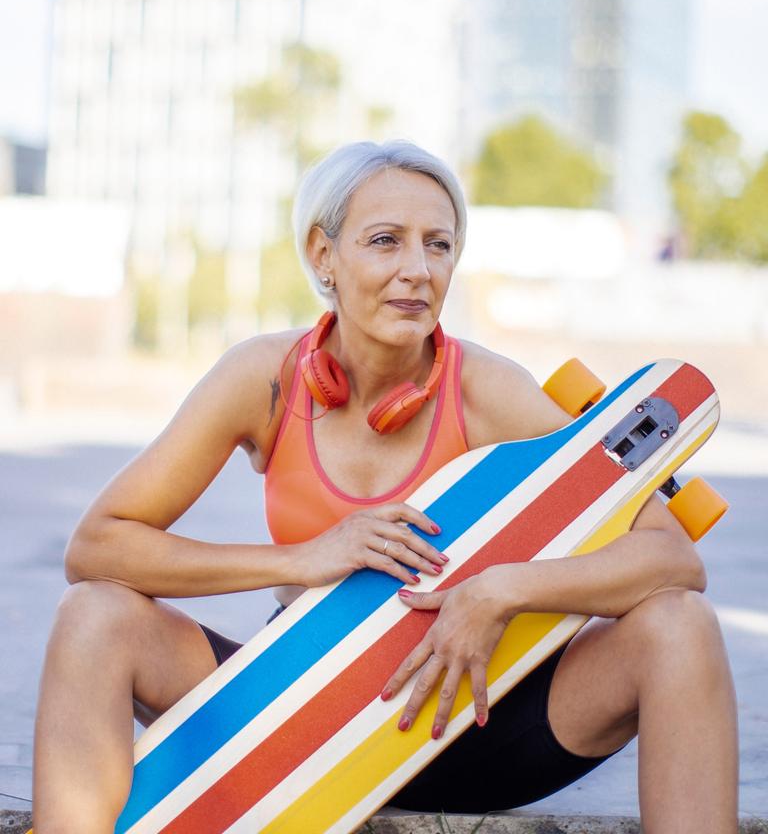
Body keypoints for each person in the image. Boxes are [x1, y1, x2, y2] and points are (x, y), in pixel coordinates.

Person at [32, 141, 737, 834]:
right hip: (302, 716)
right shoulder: (265, 380)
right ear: (322, 255)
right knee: (95, 615)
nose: (417, 270)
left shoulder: (486, 390)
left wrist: (504, 589)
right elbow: (98, 546)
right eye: (385, 241)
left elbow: (674, 560)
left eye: (438, 245)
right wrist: (299, 560)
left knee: (679, 625)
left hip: (483, 725)